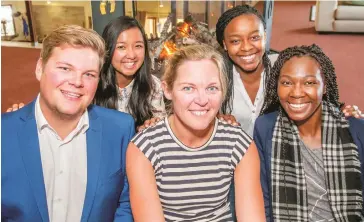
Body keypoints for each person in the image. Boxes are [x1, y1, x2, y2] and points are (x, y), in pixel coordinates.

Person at [1, 25, 134, 222]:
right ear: (40, 68)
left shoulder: (120, 130)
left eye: (89, 74)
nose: (77, 82)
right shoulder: (5, 133)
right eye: (65, 68)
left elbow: (125, 202)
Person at [126, 44, 265, 221]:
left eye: (212, 88)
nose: (202, 100)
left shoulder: (239, 144)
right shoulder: (144, 148)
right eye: (188, 88)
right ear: (167, 90)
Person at [254, 44, 364, 221]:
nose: (296, 93)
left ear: (325, 86)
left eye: (309, 83)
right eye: (287, 82)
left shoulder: (355, 130)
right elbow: (263, 198)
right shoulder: (266, 127)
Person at [94, 16, 165, 127]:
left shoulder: (152, 85)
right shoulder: (93, 83)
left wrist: (150, 127)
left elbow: (160, 126)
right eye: (122, 47)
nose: (131, 55)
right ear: (108, 49)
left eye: (138, 46)